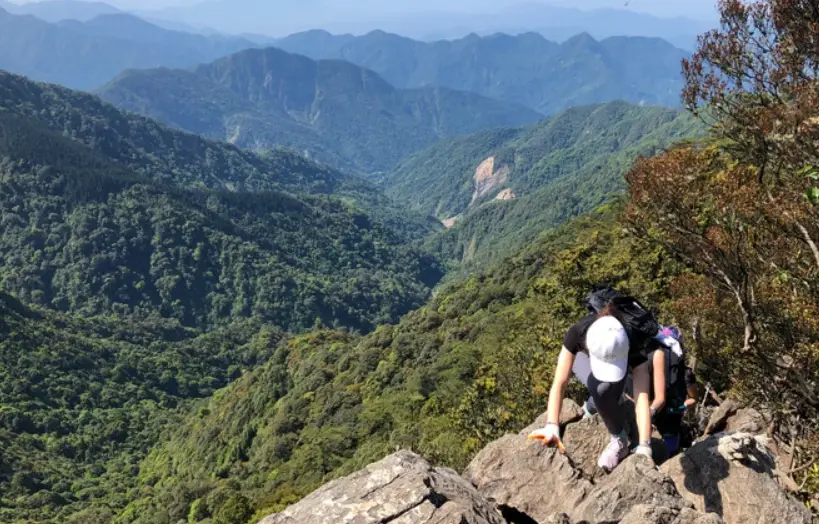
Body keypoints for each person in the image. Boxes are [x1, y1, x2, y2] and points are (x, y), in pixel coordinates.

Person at [528, 302, 659, 472]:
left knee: (604, 388)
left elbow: (642, 396)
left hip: (619, 354)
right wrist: (551, 425)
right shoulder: (579, 332)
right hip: (587, 355)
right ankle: (609, 412)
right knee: (597, 387)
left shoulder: (635, 343)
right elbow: (560, 381)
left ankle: (619, 438)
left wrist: (644, 446)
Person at [650, 326, 698, 457]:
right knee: (671, 451)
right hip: (673, 413)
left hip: (649, 410)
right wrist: (682, 406)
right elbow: (693, 398)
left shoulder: (648, 362)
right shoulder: (686, 373)